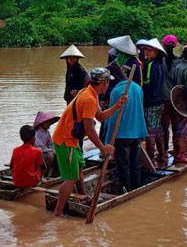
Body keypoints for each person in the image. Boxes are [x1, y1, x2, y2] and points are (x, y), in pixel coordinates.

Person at [52, 68, 128, 217]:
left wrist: (117, 105)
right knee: (71, 178)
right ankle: (58, 213)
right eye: (108, 82)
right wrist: (103, 148)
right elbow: (89, 128)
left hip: (73, 139)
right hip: (65, 140)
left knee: (79, 169)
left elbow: (99, 117)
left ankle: (83, 196)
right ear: (105, 83)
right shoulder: (89, 99)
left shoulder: (90, 93)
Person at [103, 67, 147, 192]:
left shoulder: (117, 91)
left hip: (122, 134)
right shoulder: (138, 88)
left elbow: (112, 117)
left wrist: (108, 141)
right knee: (135, 163)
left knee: (123, 165)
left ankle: (125, 189)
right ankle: (136, 187)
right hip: (136, 132)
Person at [138, 38, 167, 166]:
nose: (146, 52)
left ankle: (151, 158)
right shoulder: (160, 64)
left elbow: (149, 83)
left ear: (156, 52)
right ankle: (161, 154)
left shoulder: (150, 65)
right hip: (159, 100)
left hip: (150, 101)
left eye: (149, 50)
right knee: (157, 128)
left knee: (150, 129)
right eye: (145, 50)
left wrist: (140, 84)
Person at [161, 34, 179, 155]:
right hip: (176, 100)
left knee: (164, 127)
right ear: (176, 46)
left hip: (163, 98)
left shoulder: (159, 60)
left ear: (163, 45)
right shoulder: (179, 61)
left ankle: (165, 151)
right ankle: (178, 150)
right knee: (176, 126)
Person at [33, 111, 60, 177]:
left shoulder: (46, 132)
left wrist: (52, 150)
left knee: (58, 154)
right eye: (47, 122)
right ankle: (45, 174)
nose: (49, 124)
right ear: (42, 123)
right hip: (38, 152)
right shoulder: (37, 133)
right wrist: (50, 151)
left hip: (45, 151)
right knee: (50, 156)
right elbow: (40, 147)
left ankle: (56, 173)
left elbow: (50, 143)